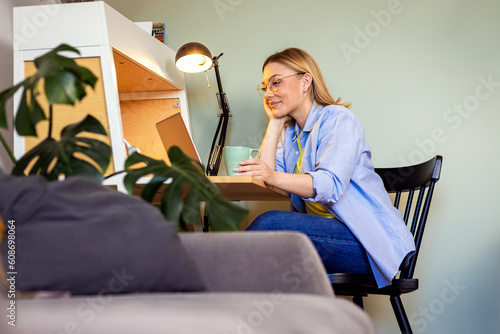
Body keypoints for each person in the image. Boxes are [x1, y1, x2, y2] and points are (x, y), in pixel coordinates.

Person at [237, 48, 415, 288]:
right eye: (265, 87)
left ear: (305, 81)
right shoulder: (291, 134)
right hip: (328, 237)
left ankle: (210, 298)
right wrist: (276, 121)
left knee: (271, 226)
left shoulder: (339, 120)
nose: (268, 93)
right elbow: (267, 176)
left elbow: (329, 186)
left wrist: (271, 175)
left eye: (276, 83)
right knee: (269, 261)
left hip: (368, 243)